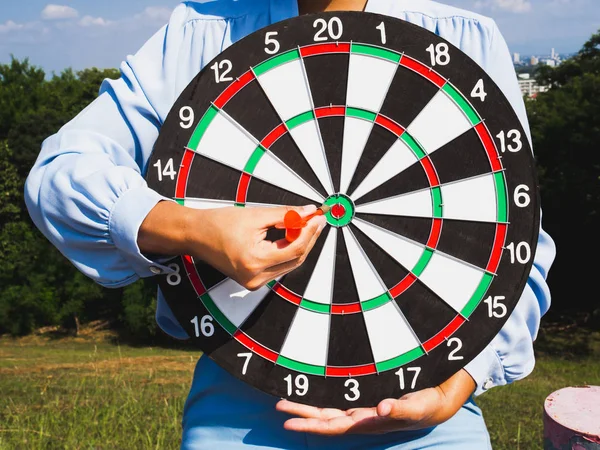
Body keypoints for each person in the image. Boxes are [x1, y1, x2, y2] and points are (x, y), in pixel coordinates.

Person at [24, 0, 556, 448]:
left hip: (430, 414)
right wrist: (190, 229)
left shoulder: (461, 36)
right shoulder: (196, 36)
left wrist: (458, 383)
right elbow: (60, 177)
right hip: (242, 410)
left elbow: (517, 245)